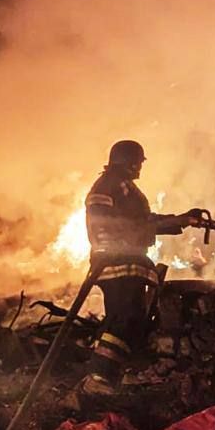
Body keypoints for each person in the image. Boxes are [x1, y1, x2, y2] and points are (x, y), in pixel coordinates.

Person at [81, 139, 203, 395]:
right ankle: (98, 377)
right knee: (123, 319)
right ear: (129, 161)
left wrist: (182, 220)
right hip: (116, 262)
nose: (140, 167)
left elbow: (142, 221)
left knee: (131, 319)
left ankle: (118, 375)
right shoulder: (111, 185)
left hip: (125, 262)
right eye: (138, 162)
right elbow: (116, 224)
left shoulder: (122, 186)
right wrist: (154, 227)